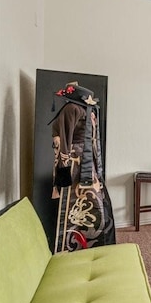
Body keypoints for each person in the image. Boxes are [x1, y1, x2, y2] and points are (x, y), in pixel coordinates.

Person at [49, 81, 115, 252]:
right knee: (88, 199)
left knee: (74, 201)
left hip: (74, 161)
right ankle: (92, 240)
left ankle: (70, 243)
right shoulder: (88, 110)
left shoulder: (71, 109)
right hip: (86, 160)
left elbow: (65, 139)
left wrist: (62, 169)